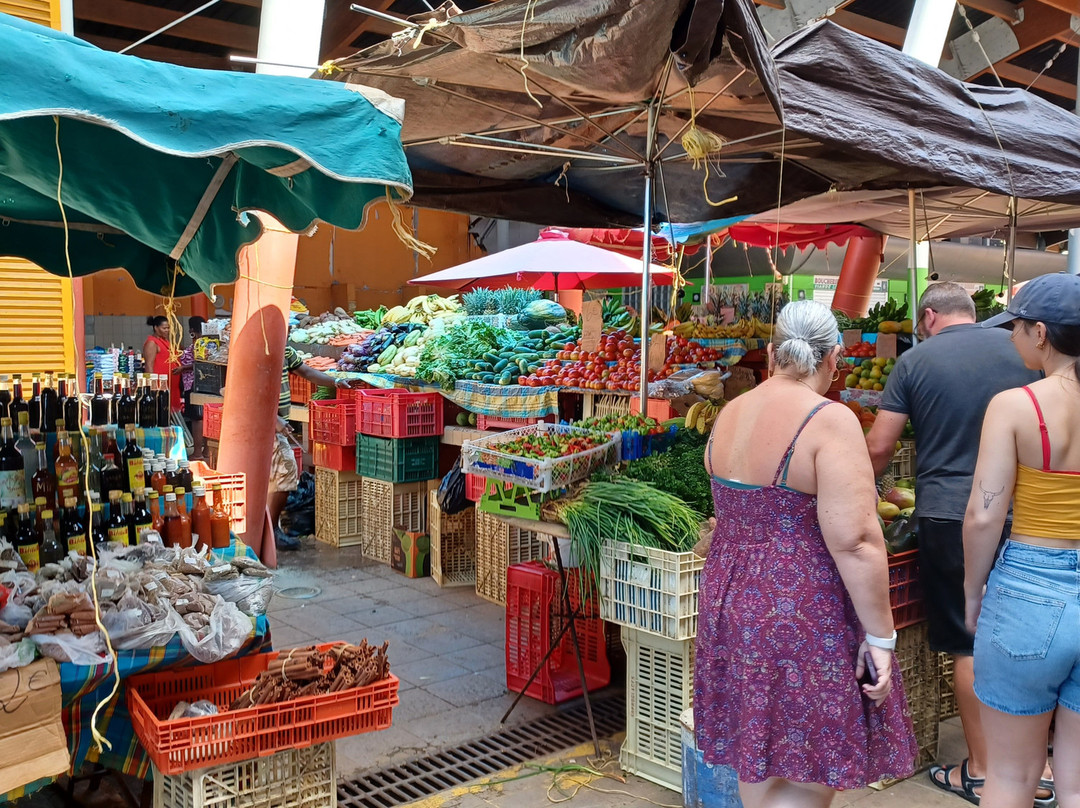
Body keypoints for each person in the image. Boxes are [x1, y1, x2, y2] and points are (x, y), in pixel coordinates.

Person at [696, 299, 916, 808]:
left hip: (730, 600)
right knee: (809, 769)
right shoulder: (829, 420)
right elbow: (857, 539)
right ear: (834, 357)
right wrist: (881, 635)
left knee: (759, 746)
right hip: (799, 608)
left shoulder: (730, 412)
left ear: (771, 352)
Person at [865, 283, 1043, 805]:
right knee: (1026, 634)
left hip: (950, 514)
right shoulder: (1024, 347)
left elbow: (880, 446)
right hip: (1027, 509)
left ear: (927, 317)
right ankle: (1039, 766)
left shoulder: (916, 362)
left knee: (969, 642)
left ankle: (983, 769)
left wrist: (859, 493)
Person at [964, 273, 1080, 808]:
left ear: (1041, 333)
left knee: (1010, 779)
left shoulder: (1015, 406)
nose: (1011, 338)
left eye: (1015, 328)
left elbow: (984, 517)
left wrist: (972, 591)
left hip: (1031, 587)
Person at [271, 346, 349, 551]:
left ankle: (271, 529)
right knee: (287, 473)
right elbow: (233, 390)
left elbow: (306, 371)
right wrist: (274, 419)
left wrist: (335, 381)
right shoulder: (258, 352)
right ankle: (271, 531)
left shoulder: (285, 351)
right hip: (263, 427)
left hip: (277, 428)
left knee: (278, 478)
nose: (285, 334)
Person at [142, 316, 183, 416]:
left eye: (168, 328)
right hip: (160, 385)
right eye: (164, 328)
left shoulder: (165, 341)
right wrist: (153, 386)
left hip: (171, 385)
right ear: (156, 328)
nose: (167, 330)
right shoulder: (152, 342)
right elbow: (149, 365)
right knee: (162, 411)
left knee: (171, 411)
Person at [178, 315, 207, 459]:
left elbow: (198, 363)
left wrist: (183, 368)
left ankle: (197, 453)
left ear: (192, 330)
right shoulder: (206, 342)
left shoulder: (199, 343)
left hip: (193, 384)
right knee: (204, 418)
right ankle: (206, 451)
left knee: (197, 419)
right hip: (201, 384)